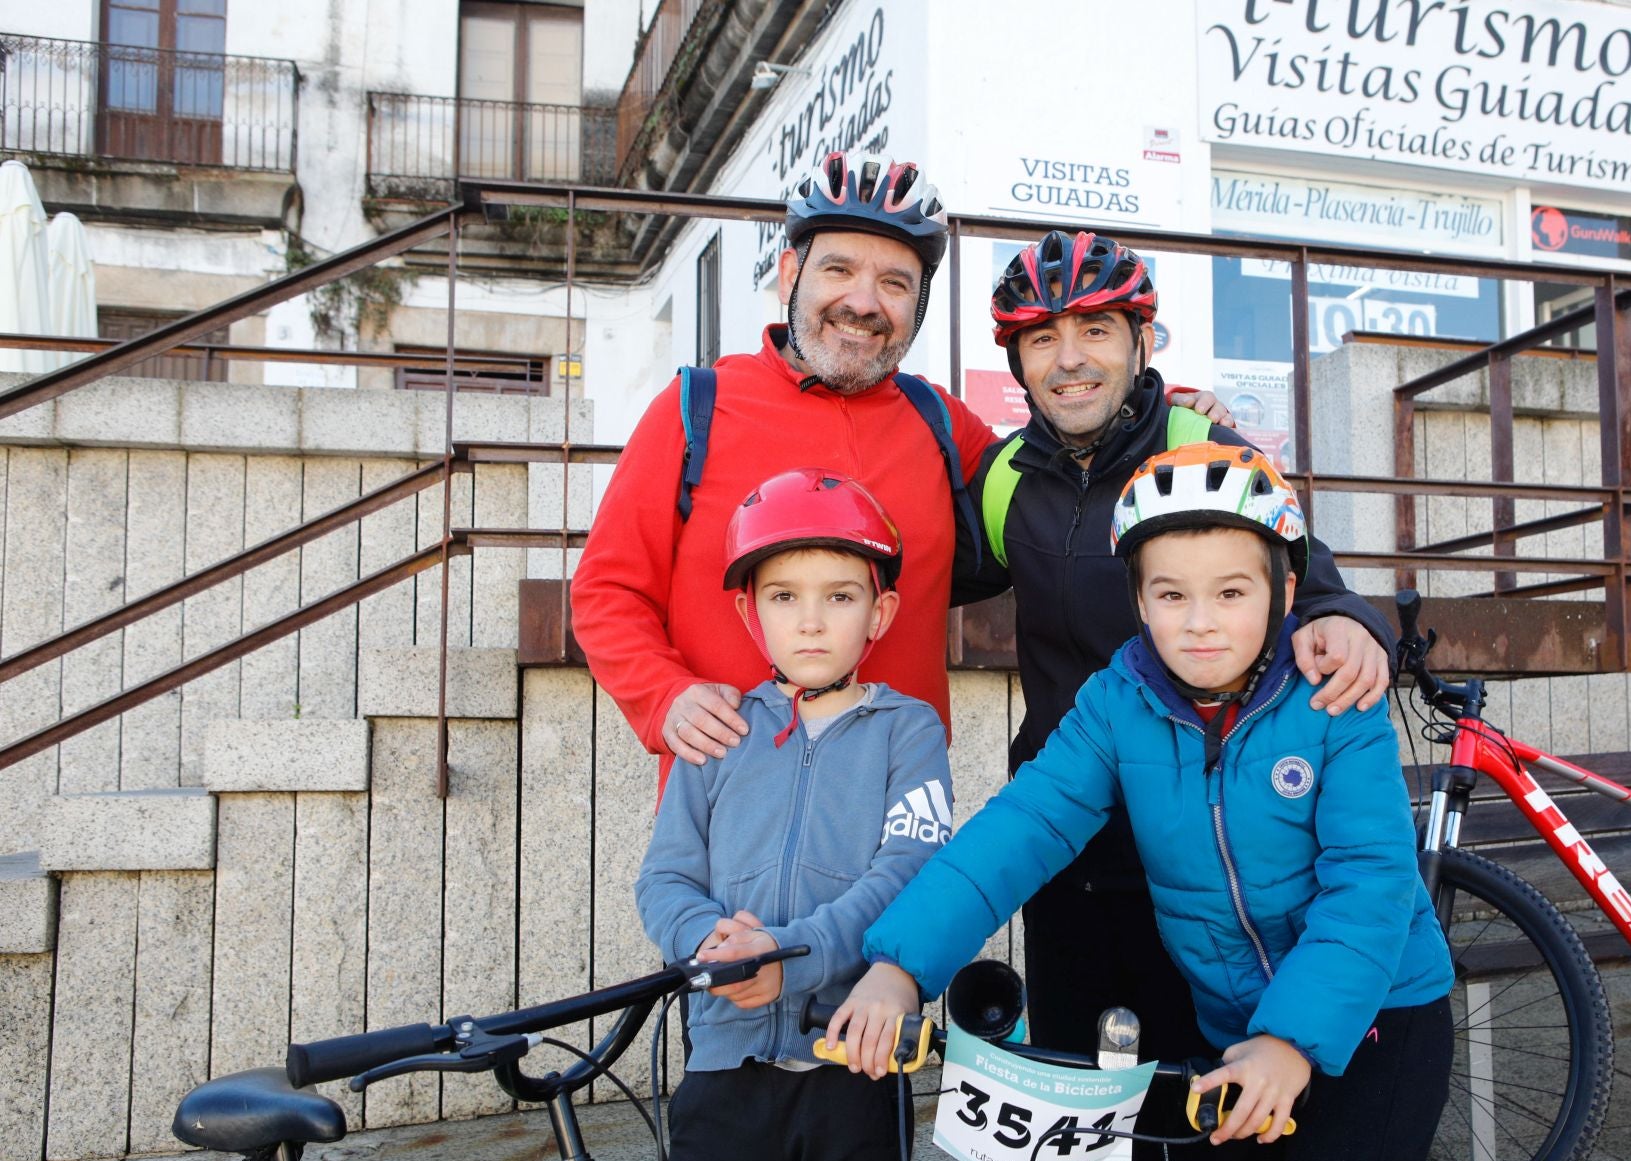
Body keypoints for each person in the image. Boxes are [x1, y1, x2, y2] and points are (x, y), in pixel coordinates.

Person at [830, 442, 1454, 1161]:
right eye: (1171, 594)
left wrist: (1291, 1042)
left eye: (1232, 592)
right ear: (1138, 601)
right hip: (1233, 1027)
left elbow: (1370, 888)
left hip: (1385, 1014)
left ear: (1286, 592)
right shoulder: (1117, 703)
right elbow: (1020, 829)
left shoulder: (1335, 701)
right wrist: (900, 966)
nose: (1200, 621)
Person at [571, 157, 1386, 785]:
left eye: (895, 283)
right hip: (733, 782)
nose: (863, 301)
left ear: (918, 307)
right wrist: (663, 696)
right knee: (736, 1001)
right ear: (790, 277)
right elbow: (606, 592)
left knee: (889, 1002)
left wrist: (1159, 407)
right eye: (838, 270)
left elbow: (1069, 451)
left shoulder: (936, 421)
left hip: (898, 797)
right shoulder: (696, 408)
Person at [946, 229, 1394, 1161]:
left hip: (1203, 858)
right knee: (1089, 1153)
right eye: (1042, 337)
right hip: (1071, 855)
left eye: (1096, 329)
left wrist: (1351, 616)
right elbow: (900, 574)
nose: (1070, 357)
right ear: (1015, 362)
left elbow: (1304, 575)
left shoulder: (1203, 436)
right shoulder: (1007, 477)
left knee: (1223, 1152)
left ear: (1141, 340)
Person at [637, 469, 952, 1161]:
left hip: (854, 1071)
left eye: (840, 597)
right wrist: (712, 941)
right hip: (723, 1071)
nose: (810, 621)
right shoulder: (721, 726)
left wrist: (787, 955)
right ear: (750, 611)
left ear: (880, 611)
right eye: (783, 597)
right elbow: (665, 878)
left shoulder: (907, 731)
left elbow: (906, 874)